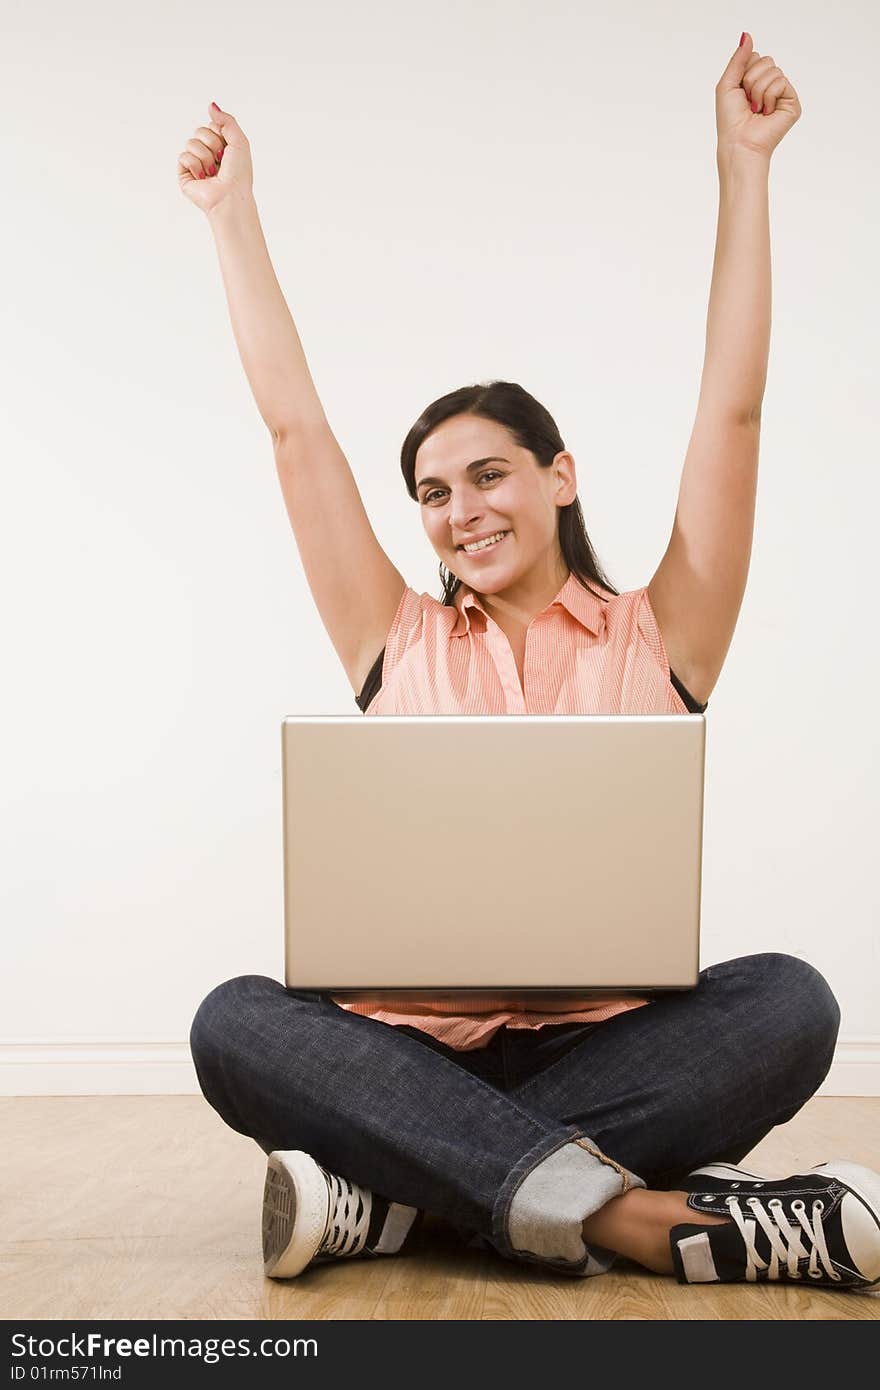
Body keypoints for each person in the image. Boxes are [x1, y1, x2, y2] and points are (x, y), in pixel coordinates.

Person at [177, 38, 880, 1291]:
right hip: (415, 1057)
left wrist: (744, 169)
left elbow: (733, 408)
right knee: (235, 1019)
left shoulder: (662, 633)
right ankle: (634, 1220)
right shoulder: (392, 639)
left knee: (792, 1000)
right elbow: (296, 430)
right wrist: (231, 217)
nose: (459, 511)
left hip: (608, 1057)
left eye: (488, 474)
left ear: (558, 476)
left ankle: (395, 1200)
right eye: (433, 494)